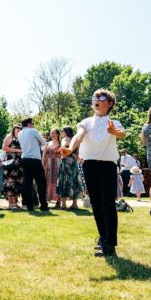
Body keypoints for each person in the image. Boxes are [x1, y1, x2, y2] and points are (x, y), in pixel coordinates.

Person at [61, 89, 125, 257]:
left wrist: (114, 132)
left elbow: (122, 134)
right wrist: (69, 149)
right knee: (96, 203)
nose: (97, 100)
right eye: (94, 97)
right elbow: (79, 136)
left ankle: (110, 244)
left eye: (101, 97)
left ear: (110, 103)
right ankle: (104, 239)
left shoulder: (114, 122)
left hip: (108, 167)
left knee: (107, 203)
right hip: (89, 166)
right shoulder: (86, 122)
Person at [18, 118, 48, 211]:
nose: (33, 125)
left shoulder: (20, 133)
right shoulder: (33, 131)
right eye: (32, 123)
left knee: (28, 184)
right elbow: (44, 142)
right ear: (29, 124)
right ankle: (43, 205)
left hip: (25, 159)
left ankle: (29, 206)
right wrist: (37, 141)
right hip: (34, 159)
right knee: (41, 183)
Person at [56, 126, 83, 210]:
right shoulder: (75, 141)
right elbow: (78, 154)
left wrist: (63, 155)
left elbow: (63, 149)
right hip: (74, 163)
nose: (61, 133)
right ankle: (74, 204)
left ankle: (63, 205)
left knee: (64, 181)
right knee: (75, 182)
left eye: (62, 131)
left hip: (66, 162)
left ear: (66, 132)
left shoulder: (65, 139)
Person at [2, 124, 24, 210]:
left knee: (17, 181)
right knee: (10, 182)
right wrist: (17, 150)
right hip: (11, 162)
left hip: (19, 162)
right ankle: (11, 204)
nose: (18, 129)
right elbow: (4, 147)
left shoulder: (21, 138)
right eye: (17, 128)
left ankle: (15, 202)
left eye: (20, 128)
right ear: (13, 129)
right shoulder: (9, 136)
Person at [43, 128, 61, 207]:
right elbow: (44, 155)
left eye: (53, 133)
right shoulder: (47, 143)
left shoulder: (61, 143)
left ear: (57, 134)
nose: (52, 135)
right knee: (48, 181)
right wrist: (43, 164)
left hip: (58, 163)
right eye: (51, 133)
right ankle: (47, 198)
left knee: (57, 181)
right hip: (49, 164)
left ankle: (58, 201)